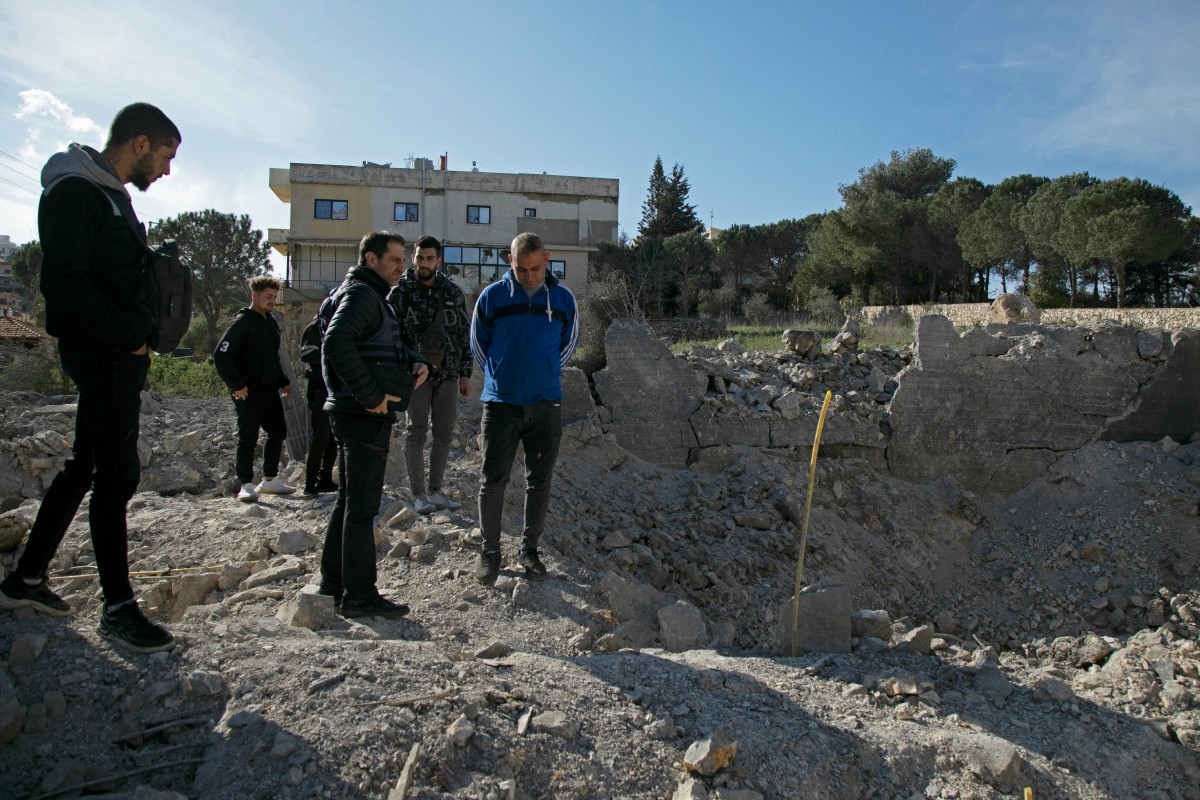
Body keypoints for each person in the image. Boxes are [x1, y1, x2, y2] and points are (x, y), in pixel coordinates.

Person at [0, 103, 180, 653]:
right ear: (141, 143)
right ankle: (119, 608)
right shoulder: (76, 191)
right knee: (116, 475)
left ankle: (27, 578)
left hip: (114, 353)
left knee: (84, 466)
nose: (167, 171)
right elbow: (66, 284)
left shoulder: (105, 193)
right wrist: (128, 334)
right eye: (167, 157)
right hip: (104, 354)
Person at [319, 231, 428, 618]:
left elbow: (381, 344)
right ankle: (360, 596)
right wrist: (371, 396)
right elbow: (337, 343)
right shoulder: (363, 295)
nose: (403, 266)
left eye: (403, 259)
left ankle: (331, 587)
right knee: (362, 508)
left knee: (349, 502)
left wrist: (414, 359)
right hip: (362, 415)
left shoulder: (364, 294)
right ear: (371, 259)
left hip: (352, 412)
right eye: (396, 259)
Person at [469, 232, 578, 585]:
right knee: (493, 480)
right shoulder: (492, 297)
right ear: (509, 261)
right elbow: (479, 345)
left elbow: (567, 345)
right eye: (521, 269)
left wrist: (543, 376)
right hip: (500, 405)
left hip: (545, 404)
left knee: (539, 482)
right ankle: (490, 552)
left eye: (534, 268)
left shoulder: (563, 299)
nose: (529, 276)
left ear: (546, 260)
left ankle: (529, 551)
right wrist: (501, 379)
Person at [387, 235, 472, 515]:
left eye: (430, 258)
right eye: (420, 258)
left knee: (445, 433)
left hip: (447, 373)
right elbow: (390, 336)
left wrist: (465, 373)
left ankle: (436, 491)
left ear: (439, 260)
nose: (425, 263)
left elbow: (463, 333)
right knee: (416, 432)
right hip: (415, 376)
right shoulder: (399, 294)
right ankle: (419, 495)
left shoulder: (452, 292)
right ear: (414, 258)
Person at [213, 276, 295, 502]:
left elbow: (271, 357)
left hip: (269, 388)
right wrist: (237, 385)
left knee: (277, 431)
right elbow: (222, 355)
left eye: (274, 297)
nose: (271, 301)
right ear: (254, 295)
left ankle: (269, 480)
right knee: (248, 436)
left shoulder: (269, 322)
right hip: (248, 390)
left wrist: (283, 380)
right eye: (268, 297)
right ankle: (246, 484)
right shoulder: (242, 322)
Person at [299, 310, 338, 496]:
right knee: (321, 437)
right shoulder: (316, 327)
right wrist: (332, 354)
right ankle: (310, 484)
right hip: (320, 388)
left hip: (336, 388)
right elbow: (307, 354)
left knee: (333, 439)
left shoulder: (343, 325)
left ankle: (325, 480)